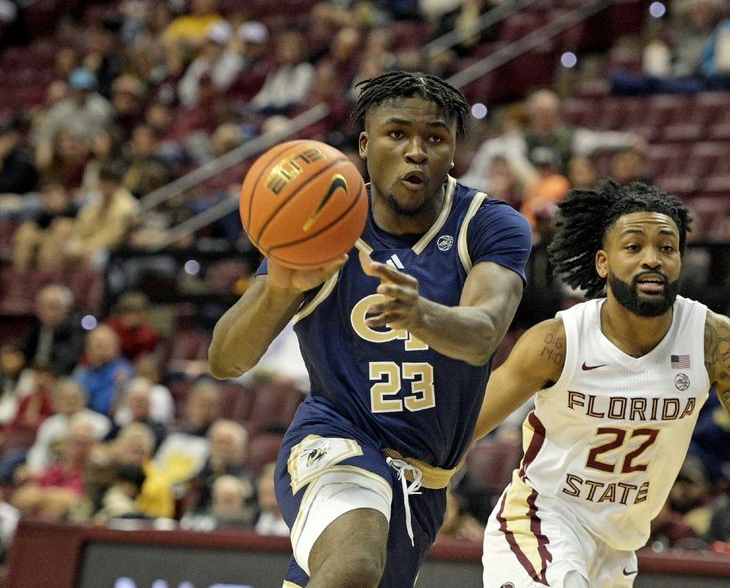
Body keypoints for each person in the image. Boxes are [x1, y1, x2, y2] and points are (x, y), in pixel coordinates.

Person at [208, 70, 531, 588]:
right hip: (335, 439)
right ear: (364, 144)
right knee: (356, 565)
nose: (416, 151)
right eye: (397, 134)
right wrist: (280, 287)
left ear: (453, 152)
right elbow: (226, 360)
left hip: (424, 479)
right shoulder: (322, 218)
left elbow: (483, 334)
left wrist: (418, 313)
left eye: (434, 138)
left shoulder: (488, 225)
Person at [474, 180, 730, 588]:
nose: (653, 259)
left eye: (667, 248)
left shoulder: (711, 340)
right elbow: (464, 428)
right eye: (633, 247)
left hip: (619, 545)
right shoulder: (558, 341)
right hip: (542, 519)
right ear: (602, 262)